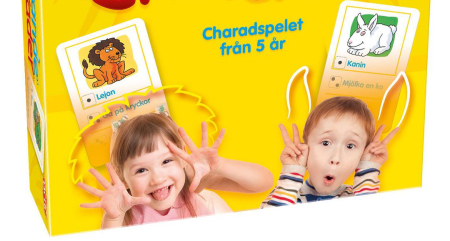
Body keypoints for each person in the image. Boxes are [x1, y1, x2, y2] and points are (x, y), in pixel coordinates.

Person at [77, 113, 273, 227]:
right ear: (122, 177)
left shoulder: (193, 183)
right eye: (141, 170)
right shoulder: (125, 212)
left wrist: (220, 165)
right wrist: (113, 217)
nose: (157, 178)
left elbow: (263, 183)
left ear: (182, 157)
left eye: (166, 161)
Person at [261, 96, 399, 207]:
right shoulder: (284, 192)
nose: (336, 158)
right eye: (326, 143)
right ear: (306, 146)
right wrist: (292, 172)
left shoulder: (357, 196)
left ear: (362, 155)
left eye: (350, 146)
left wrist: (368, 169)